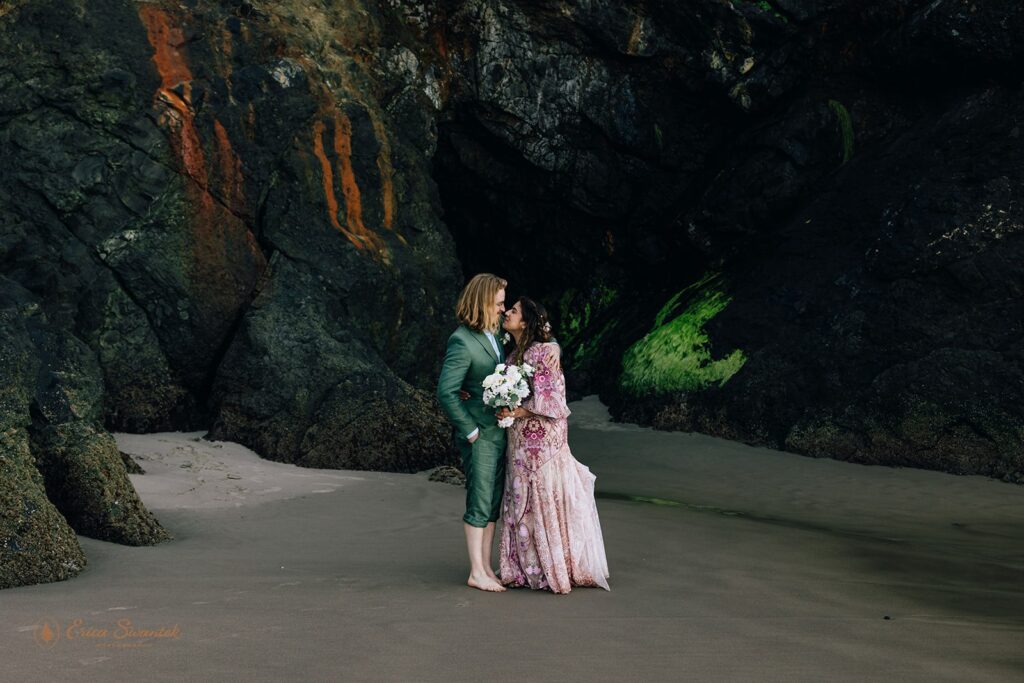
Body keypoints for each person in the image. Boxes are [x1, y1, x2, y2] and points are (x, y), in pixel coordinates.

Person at [496, 297, 610, 593]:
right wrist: (503, 407)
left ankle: (551, 568)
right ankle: (521, 567)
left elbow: (555, 400)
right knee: (520, 496)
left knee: (542, 493)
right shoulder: (511, 358)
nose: (506, 313)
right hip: (518, 438)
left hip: (544, 440)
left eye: (513, 311)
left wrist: (518, 411)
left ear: (526, 322)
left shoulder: (544, 353)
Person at [436, 273, 509, 592]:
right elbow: (446, 391)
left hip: (499, 431)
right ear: (483, 302)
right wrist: (471, 432)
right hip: (479, 434)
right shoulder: (461, 340)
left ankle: (486, 566)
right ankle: (475, 570)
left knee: (493, 501)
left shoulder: (495, 334)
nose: (503, 309)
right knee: (479, 500)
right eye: (499, 303)